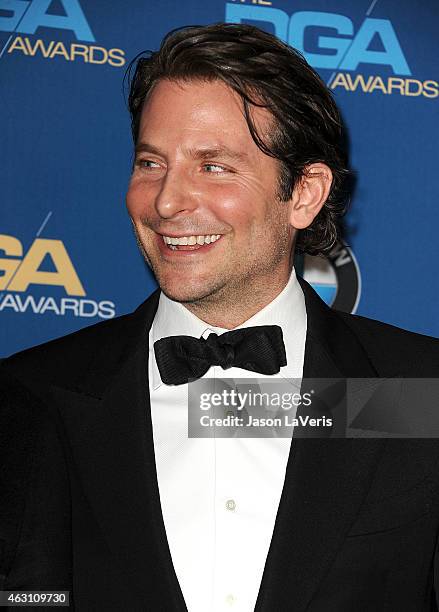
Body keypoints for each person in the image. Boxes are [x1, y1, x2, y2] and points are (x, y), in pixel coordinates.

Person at [1, 22, 439, 612]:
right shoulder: (33, 396)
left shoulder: (418, 392)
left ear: (304, 195)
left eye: (213, 166)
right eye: (151, 163)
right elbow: (29, 596)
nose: (165, 202)